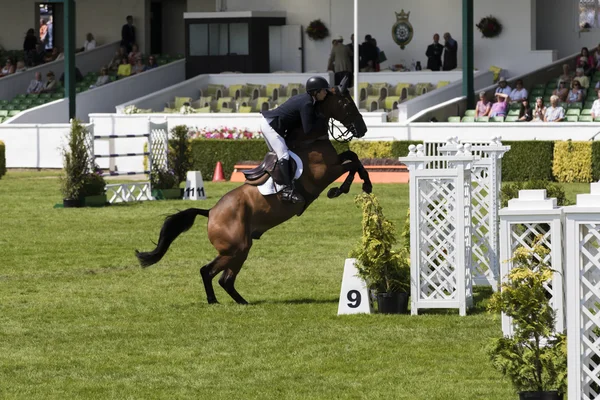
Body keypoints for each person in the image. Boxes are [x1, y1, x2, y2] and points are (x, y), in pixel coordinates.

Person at [259, 76, 330, 203]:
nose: (326, 92)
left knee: (281, 155)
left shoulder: (309, 100)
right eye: (324, 90)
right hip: (271, 126)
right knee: (284, 155)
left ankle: (274, 183)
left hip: (271, 124)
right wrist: (322, 124)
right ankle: (287, 191)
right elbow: (308, 129)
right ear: (316, 92)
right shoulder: (307, 103)